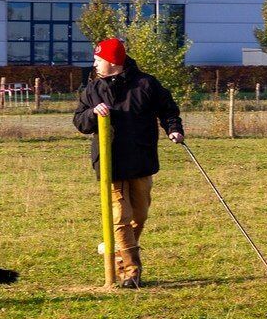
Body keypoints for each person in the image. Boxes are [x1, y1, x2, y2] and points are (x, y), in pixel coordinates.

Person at [73, 38, 184, 289]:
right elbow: (79, 121)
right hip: (110, 163)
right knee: (121, 216)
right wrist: (92, 113)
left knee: (139, 216)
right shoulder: (93, 89)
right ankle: (130, 272)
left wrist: (173, 129)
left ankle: (115, 248)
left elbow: (168, 110)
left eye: (98, 59)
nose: (95, 64)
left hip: (141, 160)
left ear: (112, 62)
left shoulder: (147, 84)